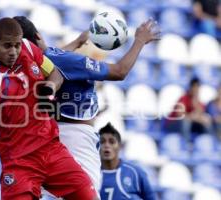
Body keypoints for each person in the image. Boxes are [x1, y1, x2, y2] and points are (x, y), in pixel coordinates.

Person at [13, 16, 160, 198]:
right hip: (75, 140)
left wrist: (76, 42)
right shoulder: (68, 61)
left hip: (44, 138)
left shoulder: (24, 67)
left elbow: (50, 58)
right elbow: (120, 71)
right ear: (38, 35)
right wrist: (139, 40)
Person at [0, 17, 99, 200]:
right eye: (7, 46)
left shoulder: (29, 49)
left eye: (17, 45)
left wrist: (50, 88)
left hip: (52, 150)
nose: (14, 51)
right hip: (19, 162)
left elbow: (55, 73)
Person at [99, 122, 156, 200]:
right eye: (102, 142)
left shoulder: (135, 172)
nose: (107, 146)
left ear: (120, 146)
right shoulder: (90, 173)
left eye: (112, 142)